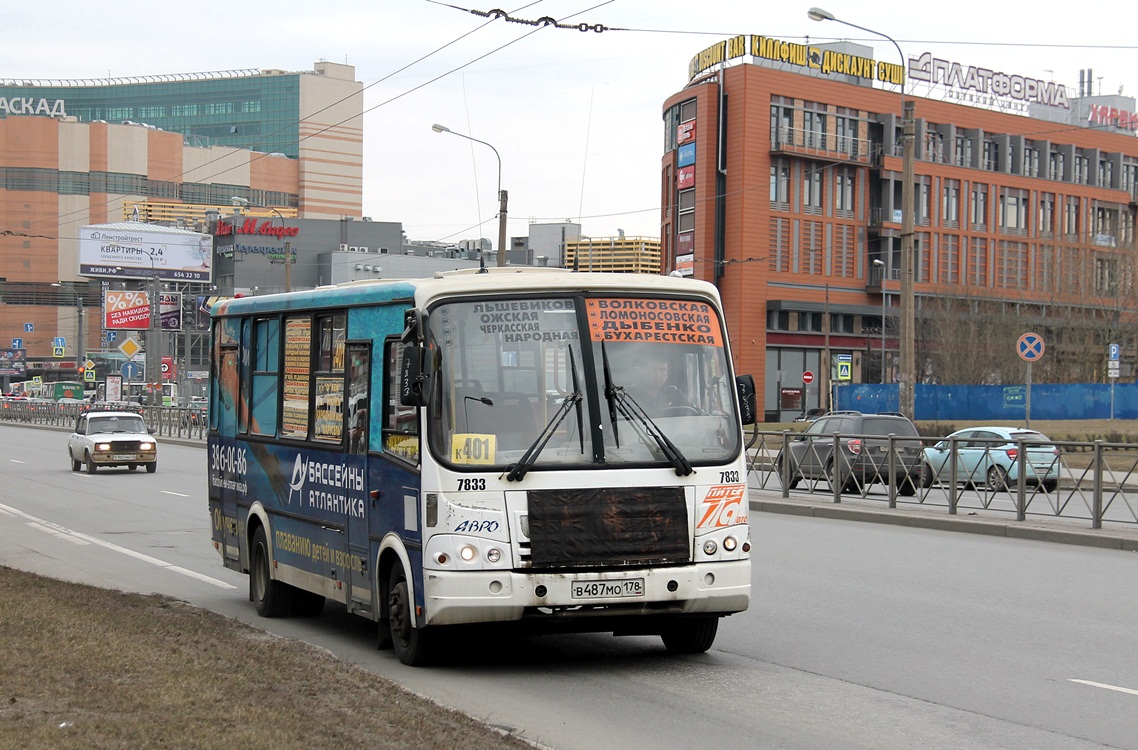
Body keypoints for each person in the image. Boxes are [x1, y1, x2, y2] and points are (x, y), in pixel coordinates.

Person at [628, 355, 693, 416]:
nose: (658, 375)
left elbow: (694, 411)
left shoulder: (673, 393)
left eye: (663, 370)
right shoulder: (629, 395)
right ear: (644, 372)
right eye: (654, 370)